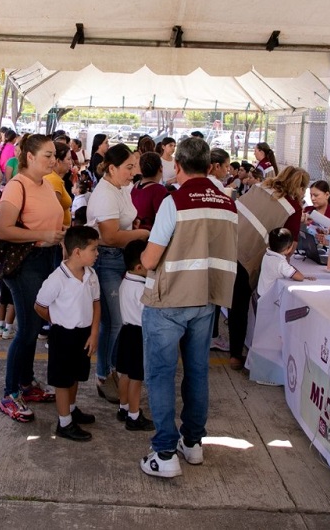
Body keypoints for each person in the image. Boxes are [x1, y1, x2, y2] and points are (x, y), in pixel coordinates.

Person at [138, 137, 240, 478]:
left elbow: (150, 258)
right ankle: (193, 443)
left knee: (161, 374)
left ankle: (165, 453)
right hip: (206, 300)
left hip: (169, 300)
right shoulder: (227, 203)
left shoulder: (175, 201)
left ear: (177, 165)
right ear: (209, 167)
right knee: (197, 372)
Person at [0, 134, 65, 423]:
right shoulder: (17, 186)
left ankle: (25, 383)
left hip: (47, 259)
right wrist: (42, 234)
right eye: (48, 155)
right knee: (26, 330)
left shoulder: (45, 184)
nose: (53, 160)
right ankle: (10, 393)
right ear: (30, 157)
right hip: (26, 263)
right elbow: (2, 229)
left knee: (34, 327)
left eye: (54, 155)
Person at [86, 144, 149, 404]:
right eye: (129, 167)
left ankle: (113, 370)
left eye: (135, 167)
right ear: (112, 168)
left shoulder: (121, 188)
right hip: (107, 259)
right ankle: (104, 375)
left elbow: (122, 223)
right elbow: (110, 237)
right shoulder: (105, 194)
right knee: (114, 322)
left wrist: (131, 226)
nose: (134, 172)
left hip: (117, 259)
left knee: (117, 321)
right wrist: (141, 234)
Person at [230, 166, 309, 370]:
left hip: (228, 243)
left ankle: (211, 339)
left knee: (220, 295)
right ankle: (236, 355)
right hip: (248, 257)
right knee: (239, 304)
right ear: (300, 187)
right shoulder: (292, 207)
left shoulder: (259, 188)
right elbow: (289, 247)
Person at [34, 226, 101, 441]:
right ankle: (64, 423)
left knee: (76, 375)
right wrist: (57, 320)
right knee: (62, 380)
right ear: (77, 252)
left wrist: (94, 333)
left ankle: (71, 410)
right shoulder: (57, 279)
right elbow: (39, 306)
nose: (97, 253)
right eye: (94, 249)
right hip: (63, 335)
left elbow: (96, 303)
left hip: (83, 333)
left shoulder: (91, 274)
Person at [115, 239, 153, 431]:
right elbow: (148, 314)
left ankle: (123, 408)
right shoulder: (142, 289)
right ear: (139, 267)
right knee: (137, 378)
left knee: (125, 374)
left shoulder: (126, 281)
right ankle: (134, 416)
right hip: (138, 335)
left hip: (126, 332)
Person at [258, 228, 312, 297]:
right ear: (288, 248)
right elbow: (300, 277)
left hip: (261, 291)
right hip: (270, 297)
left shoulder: (267, 254)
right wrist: (303, 276)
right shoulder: (281, 263)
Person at [132, 152, 168, 230]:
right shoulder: (159, 190)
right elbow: (164, 219)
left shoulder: (135, 185)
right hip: (150, 232)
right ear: (161, 168)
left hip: (135, 230)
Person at [45, 141, 74, 227]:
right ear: (57, 161)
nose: (71, 162)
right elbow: (51, 213)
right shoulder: (54, 180)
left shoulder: (54, 178)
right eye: (68, 159)